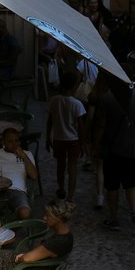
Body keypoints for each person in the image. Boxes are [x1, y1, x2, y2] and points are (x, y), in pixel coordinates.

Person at [91, 76, 135, 233]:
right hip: (133, 149)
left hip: (111, 149)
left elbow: (100, 125)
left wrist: (96, 145)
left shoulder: (108, 98)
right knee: (132, 183)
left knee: (112, 185)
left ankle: (114, 218)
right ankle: (134, 212)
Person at [46, 70, 86, 200]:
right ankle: (70, 195)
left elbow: (50, 121)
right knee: (72, 166)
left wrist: (47, 137)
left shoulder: (54, 100)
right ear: (74, 86)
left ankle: (61, 188)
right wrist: (83, 143)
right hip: (73, 140)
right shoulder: (77, 104)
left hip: (58, 138)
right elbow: (80, 126)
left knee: (60, 165)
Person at [0, 128, 36, 220]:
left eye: (16, 141)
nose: (14, 144)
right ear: (3, 142)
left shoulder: (27, 154)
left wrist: (24, 157)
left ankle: (9, 232)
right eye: (10, 141)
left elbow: (34, 176)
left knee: (25, 213)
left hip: (17, 191)